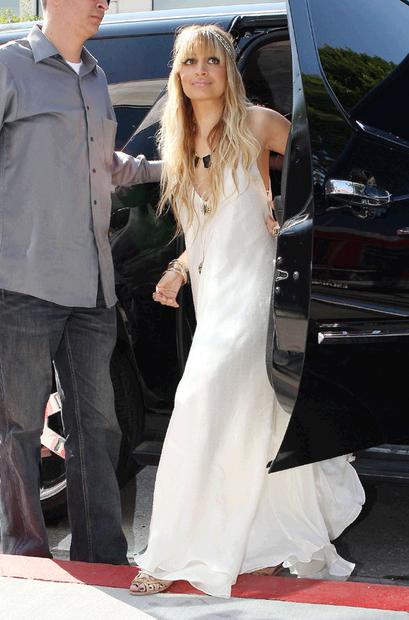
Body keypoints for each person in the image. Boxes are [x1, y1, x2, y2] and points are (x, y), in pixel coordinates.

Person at [129, 25, 365, 597]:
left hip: (259, 287)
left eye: (213, 61)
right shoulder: (177, 139)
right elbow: (203, 224)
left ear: (229, 70)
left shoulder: (257, 122)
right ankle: (261, 543)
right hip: (215, 290)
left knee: (200, 399)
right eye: (191, 62)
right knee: (252, 418)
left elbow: (326, 165)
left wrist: (290, 215)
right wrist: (179, 268)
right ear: (178, 73)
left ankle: (169, 554)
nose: (201, 71)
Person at [0, 0, 161, 564]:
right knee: (18, 427)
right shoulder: (8, 67)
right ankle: (25, 557)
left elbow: (105, 165)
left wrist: (174, 168)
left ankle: (102, 556)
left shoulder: (96, 77)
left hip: (94, 286)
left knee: (99, 426)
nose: (103, 3)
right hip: (23, 282)